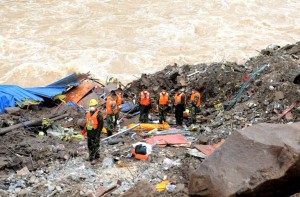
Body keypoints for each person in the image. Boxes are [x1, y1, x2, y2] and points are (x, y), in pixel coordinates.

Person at [85, 99, 103, 163]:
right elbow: (87, 123)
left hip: (95, 133)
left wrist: (97, 135)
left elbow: (100, 126)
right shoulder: (88, 114)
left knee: (96, 145)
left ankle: (96, 157)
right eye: (91, 106)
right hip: (89, 133)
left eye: (93, 106)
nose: (92, 107)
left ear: (96, 106)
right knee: (89, 145)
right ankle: (91, 156)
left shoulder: (99, 115)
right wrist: (85, 131)